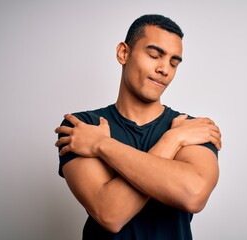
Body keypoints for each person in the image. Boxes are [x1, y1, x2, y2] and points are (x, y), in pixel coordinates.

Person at [55, 14, 222, 240]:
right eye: (154, 55)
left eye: (174, 63)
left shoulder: (192, 129)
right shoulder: (82, 127)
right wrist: (173, 141)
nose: (165, 69)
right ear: (123, 53)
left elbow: (193, 195)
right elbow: (110, 214)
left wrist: (101, 144)